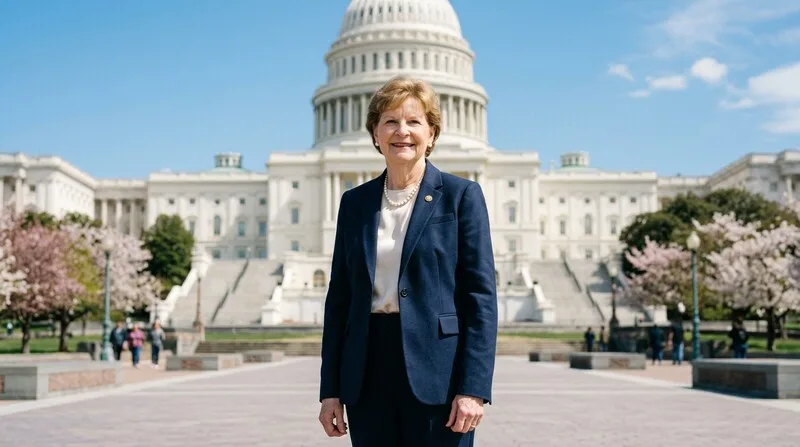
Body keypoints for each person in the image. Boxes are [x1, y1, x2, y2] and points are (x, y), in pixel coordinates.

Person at [318, 75, 498, 446]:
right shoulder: (355, 203)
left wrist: (473, 389)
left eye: (414, 121)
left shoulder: (461, 196)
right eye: (390, 121)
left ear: (431, 134)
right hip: (367, 372)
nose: (402, 132)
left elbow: (480, 300)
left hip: (439, 372)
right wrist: (330, 390)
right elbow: (339, 301)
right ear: (375, 133)